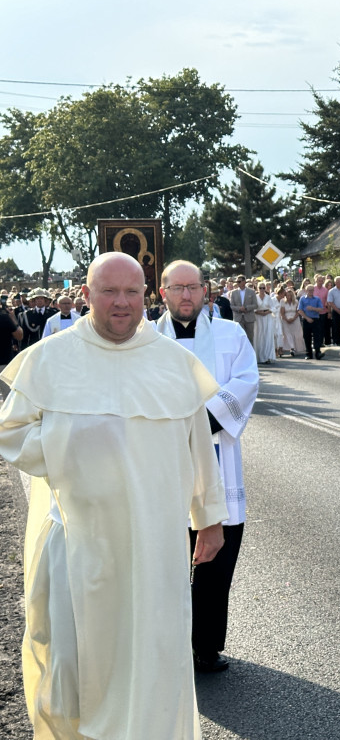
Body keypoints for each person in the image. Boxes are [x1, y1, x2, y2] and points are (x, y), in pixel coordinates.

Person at [0, 252, 227, 739]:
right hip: (78, 540)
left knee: (152, 654)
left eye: (131, 292)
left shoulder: (174, 362)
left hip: (155, 543)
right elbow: (12, 432)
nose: (121, 303)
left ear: (146, 294)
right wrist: (74, 444)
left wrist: (208, 518)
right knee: (74, 664)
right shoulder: (51, 356)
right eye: (109, 292)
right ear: (86, 295)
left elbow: (199, 447)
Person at [155, 260, 259, 674]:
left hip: (217, 459)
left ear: (205, 291)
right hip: (160, 462)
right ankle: (166, 647)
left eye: (192, 287)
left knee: (216, 561)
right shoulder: (144, 338)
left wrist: (198, 424)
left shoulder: (231, 335)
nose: (185, 295)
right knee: (164, 562)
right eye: (176, 288)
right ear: (162, 292)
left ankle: (205, 646)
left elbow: (246, 381)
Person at [299, 283, 325, 359]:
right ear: (306, 290)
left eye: (312, 290)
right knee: (307, 337)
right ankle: (308, 354)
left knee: (317, 336)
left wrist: (313, 308)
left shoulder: (317, 299)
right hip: (306, 319)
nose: (311, 291)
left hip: (315, 319)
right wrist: (307, 318)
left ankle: (318, 353)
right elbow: (300, 310)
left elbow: (321, 309)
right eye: (309, 290)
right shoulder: (303, 299)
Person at [253, 281, 278, 364]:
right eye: (260, 288)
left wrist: (267, 312)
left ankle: (267, 356)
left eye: (263, 288)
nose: (262, 289)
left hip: (267, 318)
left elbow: (273, 308)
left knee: (267, 336)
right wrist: (259, 312)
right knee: (259, 336)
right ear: (258, 288)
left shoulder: (268, 297)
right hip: (258, 318)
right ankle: (259, 357)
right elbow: (253, 308)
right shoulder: (255, 297)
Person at [230, 274, 258, 344]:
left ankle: (251, 354)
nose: (237, 283)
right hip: (238, 318)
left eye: (239, 281)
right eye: (237, 282)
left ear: (244, 282)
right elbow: (231, 306)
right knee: (240, 338)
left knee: (250, 337)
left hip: (249, 318)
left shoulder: (251, 292)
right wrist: (239, 308)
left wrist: (246, 308)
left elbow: (255, 305)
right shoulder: (233, 293)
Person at [279, 286, 304, 357]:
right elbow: (282, 313)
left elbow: (298, 311)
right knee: (288, 334)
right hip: (285, 319)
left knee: (297, 333)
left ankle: (296, 348)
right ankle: (291, 348)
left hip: (295, 319)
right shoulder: (282, 301)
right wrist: (286, 319)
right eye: (287, 295)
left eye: (290, 295)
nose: (288, 296)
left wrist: (293, 318)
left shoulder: (295, 302)